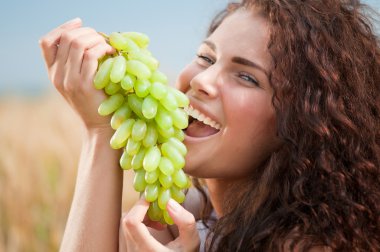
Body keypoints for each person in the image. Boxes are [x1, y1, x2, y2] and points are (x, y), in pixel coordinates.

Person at [39, 0, 380, 251]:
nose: (203, 79)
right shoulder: (189, 215)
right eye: (206, 57)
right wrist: (100, 131)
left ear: (303, 122)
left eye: (247, 77)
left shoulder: (305, 246)